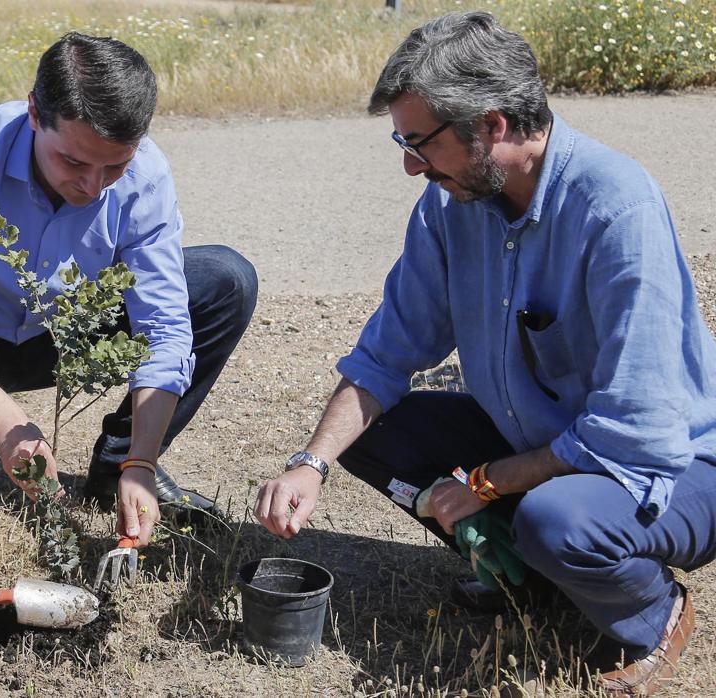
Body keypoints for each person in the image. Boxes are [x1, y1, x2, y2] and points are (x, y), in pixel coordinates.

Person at [254, 12, 716, 696]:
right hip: (547, 441)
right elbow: (385, 356)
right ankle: (526, 574)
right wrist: (309, 464)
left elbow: (632, 429)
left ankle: (654, 612)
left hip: (672, 465)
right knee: (376, 431)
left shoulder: (615, 208)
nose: (410, 164)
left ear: (493, 125)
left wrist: (483, 483)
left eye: (420, 143)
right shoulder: (450, 206)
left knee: (555, 521)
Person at [0, 32, 257, 544]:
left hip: (68, 331)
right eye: (73, 162)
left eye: (114, 166)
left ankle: (117, 469)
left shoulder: (147, 174)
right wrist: (6, 424)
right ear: (33, 113)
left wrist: (142, 458)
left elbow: (163, 324)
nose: (93, 187)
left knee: (224, 279)